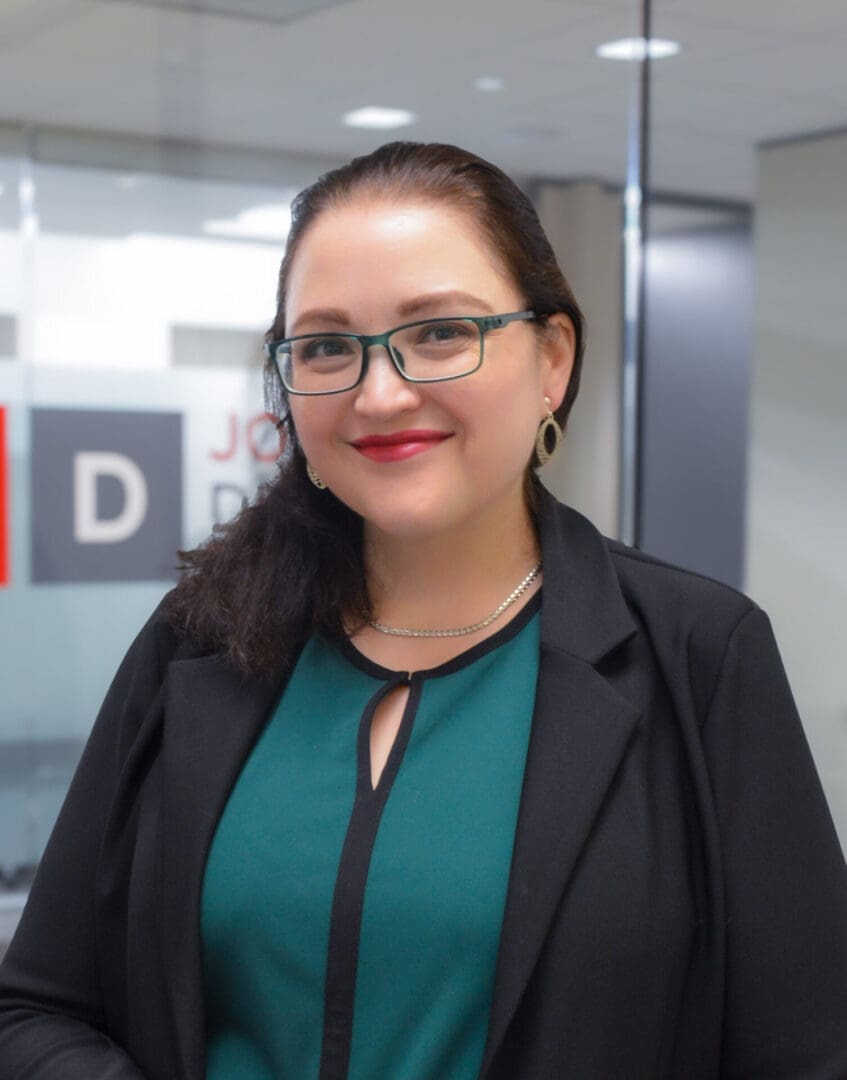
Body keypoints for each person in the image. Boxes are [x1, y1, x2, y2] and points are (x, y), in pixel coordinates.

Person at [1, 141, 845, 1080]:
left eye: (439, 332)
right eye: (324, 346)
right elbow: (35, 1010)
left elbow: (804, 1052)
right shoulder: (200, 639)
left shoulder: (696, 653)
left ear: (552, 359)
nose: (380, 393)